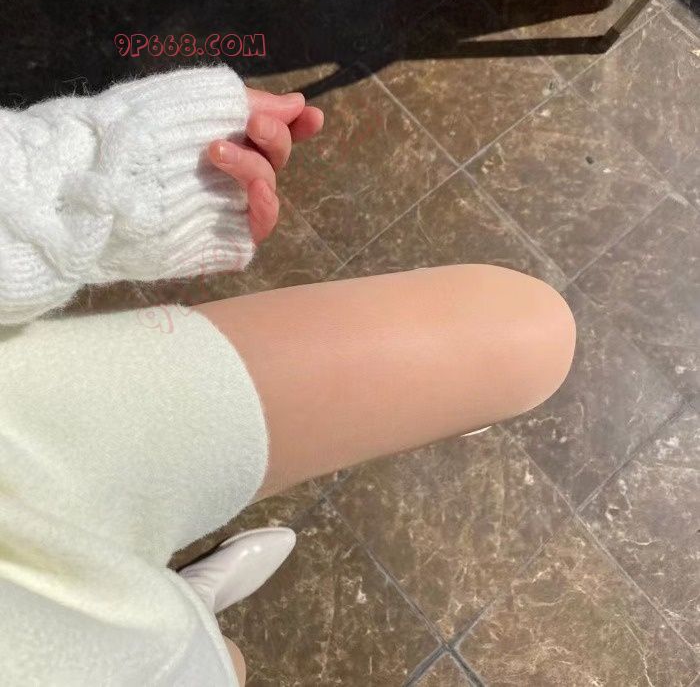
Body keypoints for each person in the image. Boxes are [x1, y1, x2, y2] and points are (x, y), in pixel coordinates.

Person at [0, 65, 576, 686]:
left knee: (529, 335)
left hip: (22, 446)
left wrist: (99, 175)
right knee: (222, 660)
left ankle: (166, 599)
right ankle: (186, 607)